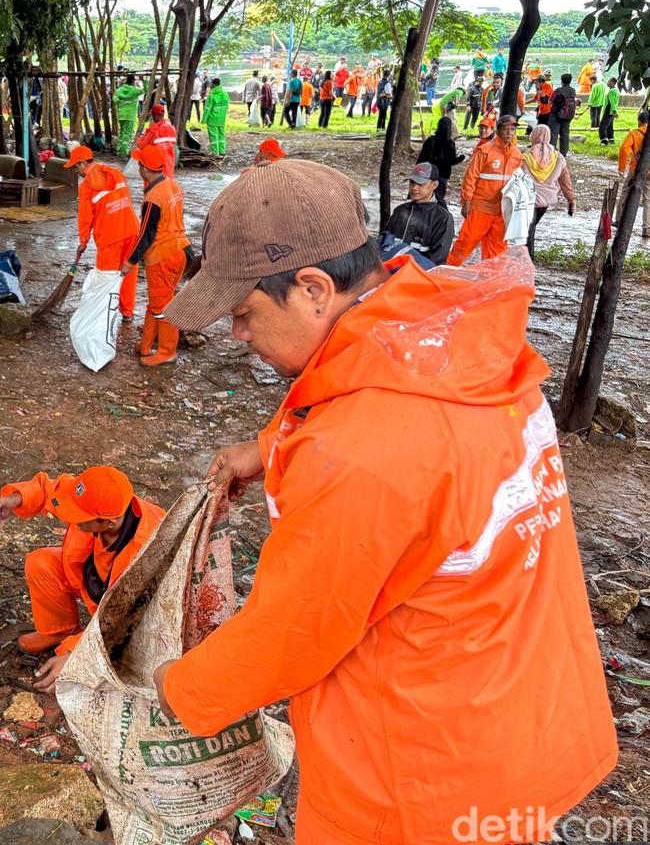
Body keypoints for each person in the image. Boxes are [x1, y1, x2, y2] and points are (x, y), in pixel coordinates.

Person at [156, 157, 618, 845]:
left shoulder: (358, 450)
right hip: (527, 717)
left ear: (313, 288)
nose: (238, 336)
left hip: (416, 785)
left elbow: (288, 636)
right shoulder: (457, 341)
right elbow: (401, 447)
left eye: (246, 313)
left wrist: (176, 687)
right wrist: (270, 445)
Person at [0, 466, 164, 691]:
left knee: (120, 655)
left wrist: (74, 653)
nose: (70, 518)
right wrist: (15, 499)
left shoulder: (149, 552)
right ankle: (58, 630)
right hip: (94, 581)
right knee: (41, 562)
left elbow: (125, 621)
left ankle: (78, 647)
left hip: (135, 616)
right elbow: (52, 491)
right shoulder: (97, 498)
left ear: (109, 523)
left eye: (80, 518)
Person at [121, 145, 193, 366]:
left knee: (162, 308)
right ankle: (146, 345)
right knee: (158, 302)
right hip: (181, 250)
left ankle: (167, 351)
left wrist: (129, 261)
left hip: (163, 256)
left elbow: (146, 235)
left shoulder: (153, 198)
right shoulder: (172, 185)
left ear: (144, 169)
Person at [65, 146, 140, 321]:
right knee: (128, 274)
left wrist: (83, 242)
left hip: (109, 237)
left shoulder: (87, 187)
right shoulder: (115, 173)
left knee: (106, 277)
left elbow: (85, 218)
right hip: (131, 229)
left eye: (76, 167)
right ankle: (127, 312)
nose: (76, 172)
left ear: (83, 163)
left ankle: (106, 314)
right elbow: (126, 199)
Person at [448, 114, 522, 265]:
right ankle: (446, 271)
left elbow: (518, 182)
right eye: (506, 129)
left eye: (512, 130)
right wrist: (466, 201)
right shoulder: (484, 151)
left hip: (502, 210)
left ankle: (489, 280)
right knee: (465, 243)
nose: (509, 133)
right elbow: (471, 177)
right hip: (480, 207)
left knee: (497, 250)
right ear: (498, 130)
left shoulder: (516, 154)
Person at [522, 124, 577, 260]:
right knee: (531, 227)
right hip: (546, 200)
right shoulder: (558, 158)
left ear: (533, 136)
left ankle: (528, 258)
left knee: (529, 228)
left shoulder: (525, 157)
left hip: (529, 199)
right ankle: (526, 257)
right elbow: (565, 181)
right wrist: (571, 200)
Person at [386, 162, 454, 263]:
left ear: (434, 185)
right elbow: (384, 243)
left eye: (421, 183)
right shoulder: (400, 211)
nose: (414, 188)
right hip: (392, 271)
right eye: (412, 182)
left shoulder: (442, 218)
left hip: (419, 275)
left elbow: (436, 260)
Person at [616, 111, 650, 236]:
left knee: (625, 192)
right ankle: (647, 228)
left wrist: (621, 167)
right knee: (648, 199)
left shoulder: (635, 133)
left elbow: (624, 149)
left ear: (639, 121)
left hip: (636, 169)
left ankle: (619, 219)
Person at [417, 116, 465, 201]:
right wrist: (462, 157)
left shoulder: (431, 140)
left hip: (429, 174)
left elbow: (421, 159)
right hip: (442, 176)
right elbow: (452, 161)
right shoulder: (450, 143)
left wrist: (418, 173)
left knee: (425, 198)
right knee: (438, 199)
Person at [136, 104, 177, 179]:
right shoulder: (171, 128)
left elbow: (142, 145)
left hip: (155, 167)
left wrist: (141, 136)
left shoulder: (154, 130)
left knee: (153, 188)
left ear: (154, 115)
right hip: (168, 164)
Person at [548, 73, 579, 158]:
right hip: (568, 115)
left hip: (556, 114)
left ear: (561, 81)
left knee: (553, 134)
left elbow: (550, 101)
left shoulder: (558, 90)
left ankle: (552, 152)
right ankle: (563, 153)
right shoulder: (573, 90)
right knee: (565, 134)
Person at [113, 74, 143, 157]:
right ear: (133, 81)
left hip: (121, 115)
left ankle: (119, 151)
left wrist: (113, 96)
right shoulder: (134, 91)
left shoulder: (119, 90)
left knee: (122, 132)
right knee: (127, 134)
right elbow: (144, 90)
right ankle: (123, 153)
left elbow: (115, 101)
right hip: (130, 116)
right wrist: (143, 81)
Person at [201, 78, 229, 156]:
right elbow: (227, 106)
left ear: (213, 84)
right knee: (221, 136)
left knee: (213, 137)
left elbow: (207, 109)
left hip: (212, 119)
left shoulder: (211, 96)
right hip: (222, 119)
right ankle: (222, 151)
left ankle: (215, 153)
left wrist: (204, 120)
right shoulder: (225, 94)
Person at [599, 77, 620, 145]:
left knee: (603, 126)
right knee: (609, 126)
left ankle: (604, 141)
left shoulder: (611, 91)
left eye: (609, 81)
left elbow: (612, 102)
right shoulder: (615, 90)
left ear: (613, 83)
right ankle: (611, 139)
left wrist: (614, 112)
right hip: (612, 110)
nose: (607, 83)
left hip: (609, 110)